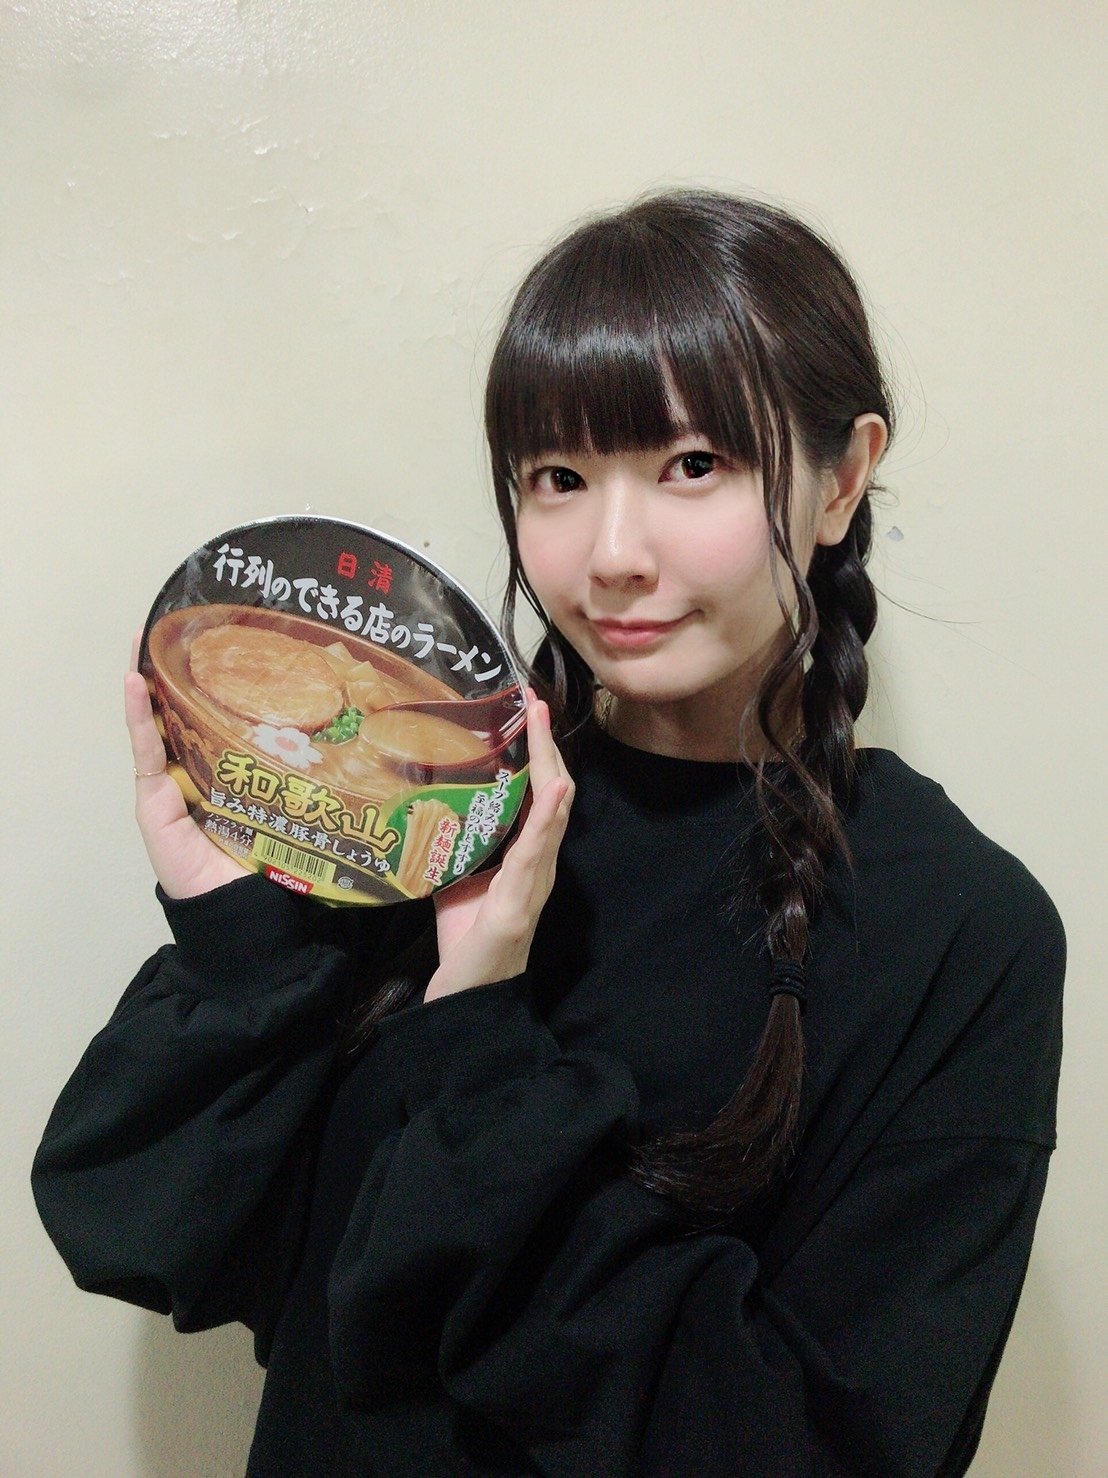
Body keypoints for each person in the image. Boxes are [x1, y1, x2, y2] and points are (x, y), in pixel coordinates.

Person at [32, 190, 1065, 1477]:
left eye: (694, 464)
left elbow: (825, 1445)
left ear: (841, 478)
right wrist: (239, 943)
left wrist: (480, 1038)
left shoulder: (958, 926)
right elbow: (146, 1239)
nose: (610, 553)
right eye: (558, 478)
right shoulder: (418, 803)